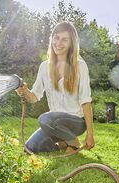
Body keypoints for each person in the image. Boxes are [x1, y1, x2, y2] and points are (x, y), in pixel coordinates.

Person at [16, 22, 94, 154]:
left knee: (45, 119)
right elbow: (34, 97)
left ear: (71, 43)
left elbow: (86, 103)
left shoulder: (80, 66)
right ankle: (63, 143)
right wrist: (24, 91)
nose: (59, 43)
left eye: (65, 39)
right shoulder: (44, 67)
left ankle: (72, 141)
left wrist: (90, 135)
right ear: (51, 39)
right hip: (53, 124)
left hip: (75, 122)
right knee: (29, 148)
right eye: (56, 38)